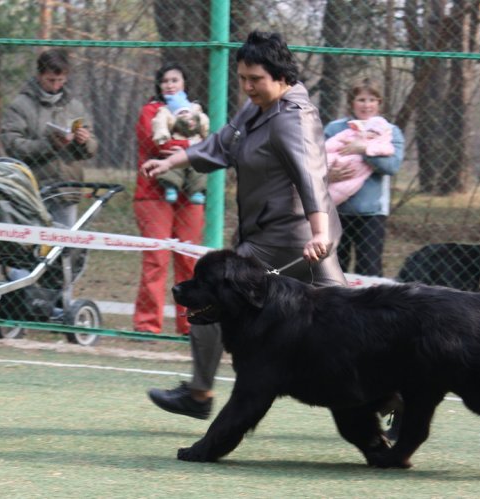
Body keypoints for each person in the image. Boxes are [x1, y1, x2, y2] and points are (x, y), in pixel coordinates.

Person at [141, 31, 347, 419]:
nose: (248, 87)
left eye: (255, 79)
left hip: (291, 240)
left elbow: (312, 178)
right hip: (276, 237)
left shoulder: (293, 119)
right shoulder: (257, 109)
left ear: (281, 77)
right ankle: (394, 398)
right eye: (243, 79)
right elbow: (220, 144)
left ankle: (199, 394)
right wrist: (171, 162)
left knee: (207, 296)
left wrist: (320, 233)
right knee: (348, 326)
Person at [133, 62, 206, 335]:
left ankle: (190, 324)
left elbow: (208, 142)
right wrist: (191, 147)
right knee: (157, 259)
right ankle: (146, 325)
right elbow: (158, 144)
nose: (170, 84)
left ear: (184, 83)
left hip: (190, 194)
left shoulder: (195, 111)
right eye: (165, 80)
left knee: (189, 260)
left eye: (175, 80)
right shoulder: (151, 111)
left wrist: (187, 148)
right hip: (153, 193)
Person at [0, 48, 98, 227]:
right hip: (32, 190)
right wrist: (50, 144)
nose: (55, 86)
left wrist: (84, 142)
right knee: (34, 245)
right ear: (39, 75)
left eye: (60, 80)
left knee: (64, 245)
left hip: (66, 188)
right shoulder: (21, 106)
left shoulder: (75, 106)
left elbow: (91, 149)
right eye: (50, 80)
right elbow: (13, 146)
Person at [324, 79, 404, 277]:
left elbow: (392, 166)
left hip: (371, 213)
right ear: (352, 102)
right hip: (335, 211)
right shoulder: (335, 129)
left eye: (372, 100)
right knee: (333, 268)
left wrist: (365, 150)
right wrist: (328, 175)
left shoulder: (389, 131)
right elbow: (313, 161)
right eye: (361, 99)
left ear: (379, 103)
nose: (366, 105)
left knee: (369, 270)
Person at [151, 90, 209, 204]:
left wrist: (193, 146)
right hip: (177, 154)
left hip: (195, 157)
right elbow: (166, 144)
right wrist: (187, 145)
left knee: (200, 170)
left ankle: (197, 192)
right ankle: (171, 187)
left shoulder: (199, 133)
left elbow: (206, 142)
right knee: (173, 165)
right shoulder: (174, 134)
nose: (185, 116)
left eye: (186, 112)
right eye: (180, 113)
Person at [325, 116, 395, 206]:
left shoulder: (381, 142)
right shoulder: (350, 133)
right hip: (336, 161)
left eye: (377, 132)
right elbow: (332, 145)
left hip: (352, 176)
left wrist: (364, 149)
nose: (373, 134)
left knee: (338, 192)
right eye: (371, 131)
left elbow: (388, 152)